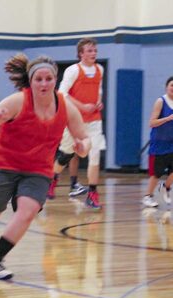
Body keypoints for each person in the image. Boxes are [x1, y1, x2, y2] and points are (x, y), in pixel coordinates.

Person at [0, 53, 91, 280]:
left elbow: (84, 138)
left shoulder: (66, 107)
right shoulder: (17, 102)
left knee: (27, 212)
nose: (44, 84)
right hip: (4, 163)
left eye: (48, 79)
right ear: (31, 80)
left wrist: (82, 147)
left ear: (55, 80)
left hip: (38, 170)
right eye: (38, 79)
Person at [46, 38, 106, 209]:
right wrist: (82, 106)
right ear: (81, 53)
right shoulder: (73, 70)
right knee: (66, 155)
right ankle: (52, 178)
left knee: (95, 156)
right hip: (73, 120)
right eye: (89, 51)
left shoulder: (99, 69)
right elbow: (62, 93)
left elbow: (99, 91)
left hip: (94, 120)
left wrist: (99, 102)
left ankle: (92, 194)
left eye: (95, 50)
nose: (93, 53)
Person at [142, 76, 173, 208]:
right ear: (167, 87)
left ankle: (166, 186)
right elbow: (151, 123)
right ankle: (148, 197)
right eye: (172, 85)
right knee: (156, 174)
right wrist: (167, 118)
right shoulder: (160, 101)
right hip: (158, 144)